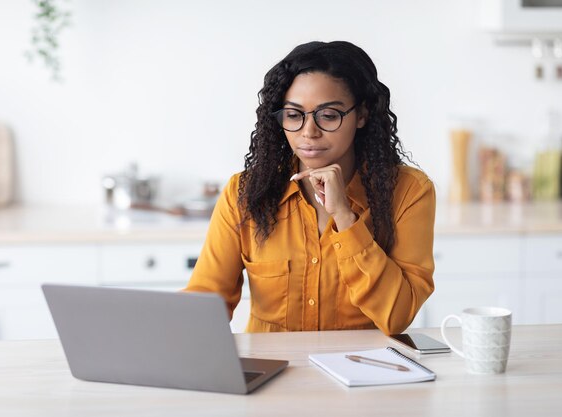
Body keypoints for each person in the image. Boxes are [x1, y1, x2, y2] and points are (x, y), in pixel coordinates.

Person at [185, 40, 435, 335]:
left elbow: (398, 315)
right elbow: (207, 300)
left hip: (364, 371)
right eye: (294, 115)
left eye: (328, 115)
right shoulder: (245, 192)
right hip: (275, 373)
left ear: (363, 115)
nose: (308, 132)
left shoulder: (408, 191)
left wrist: (345, 217)